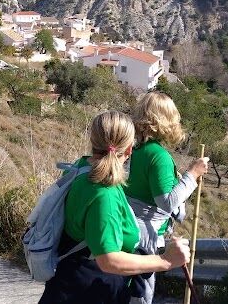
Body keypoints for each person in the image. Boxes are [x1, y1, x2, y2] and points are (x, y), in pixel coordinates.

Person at [40, 110, 190, 304]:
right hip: (88, 291)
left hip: (68, 282)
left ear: (93, 141)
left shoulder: (81, 169)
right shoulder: (104, 193)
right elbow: (108, 260)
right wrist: (166, 260)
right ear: (129, 150)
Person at [122, 92, 209, 304]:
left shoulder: (136, 150)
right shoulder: (158, 155)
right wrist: (193, 174)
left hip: (128, 229)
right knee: (141, 296)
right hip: (145, 239)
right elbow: (167, 202)